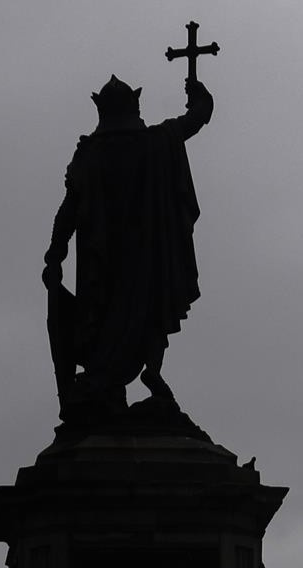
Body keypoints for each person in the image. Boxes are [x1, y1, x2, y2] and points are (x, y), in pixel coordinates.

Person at [43, 74, 212, 424]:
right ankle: (145, 372)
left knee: (102, 329)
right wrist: (200, 95)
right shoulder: (156, 142)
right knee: (151, 313)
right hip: (146, 262)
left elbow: (68, 210)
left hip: (98, 271)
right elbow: (196, 118)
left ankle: (102, 388)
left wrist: (54, 255)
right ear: (134, 106)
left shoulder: (90, 153)